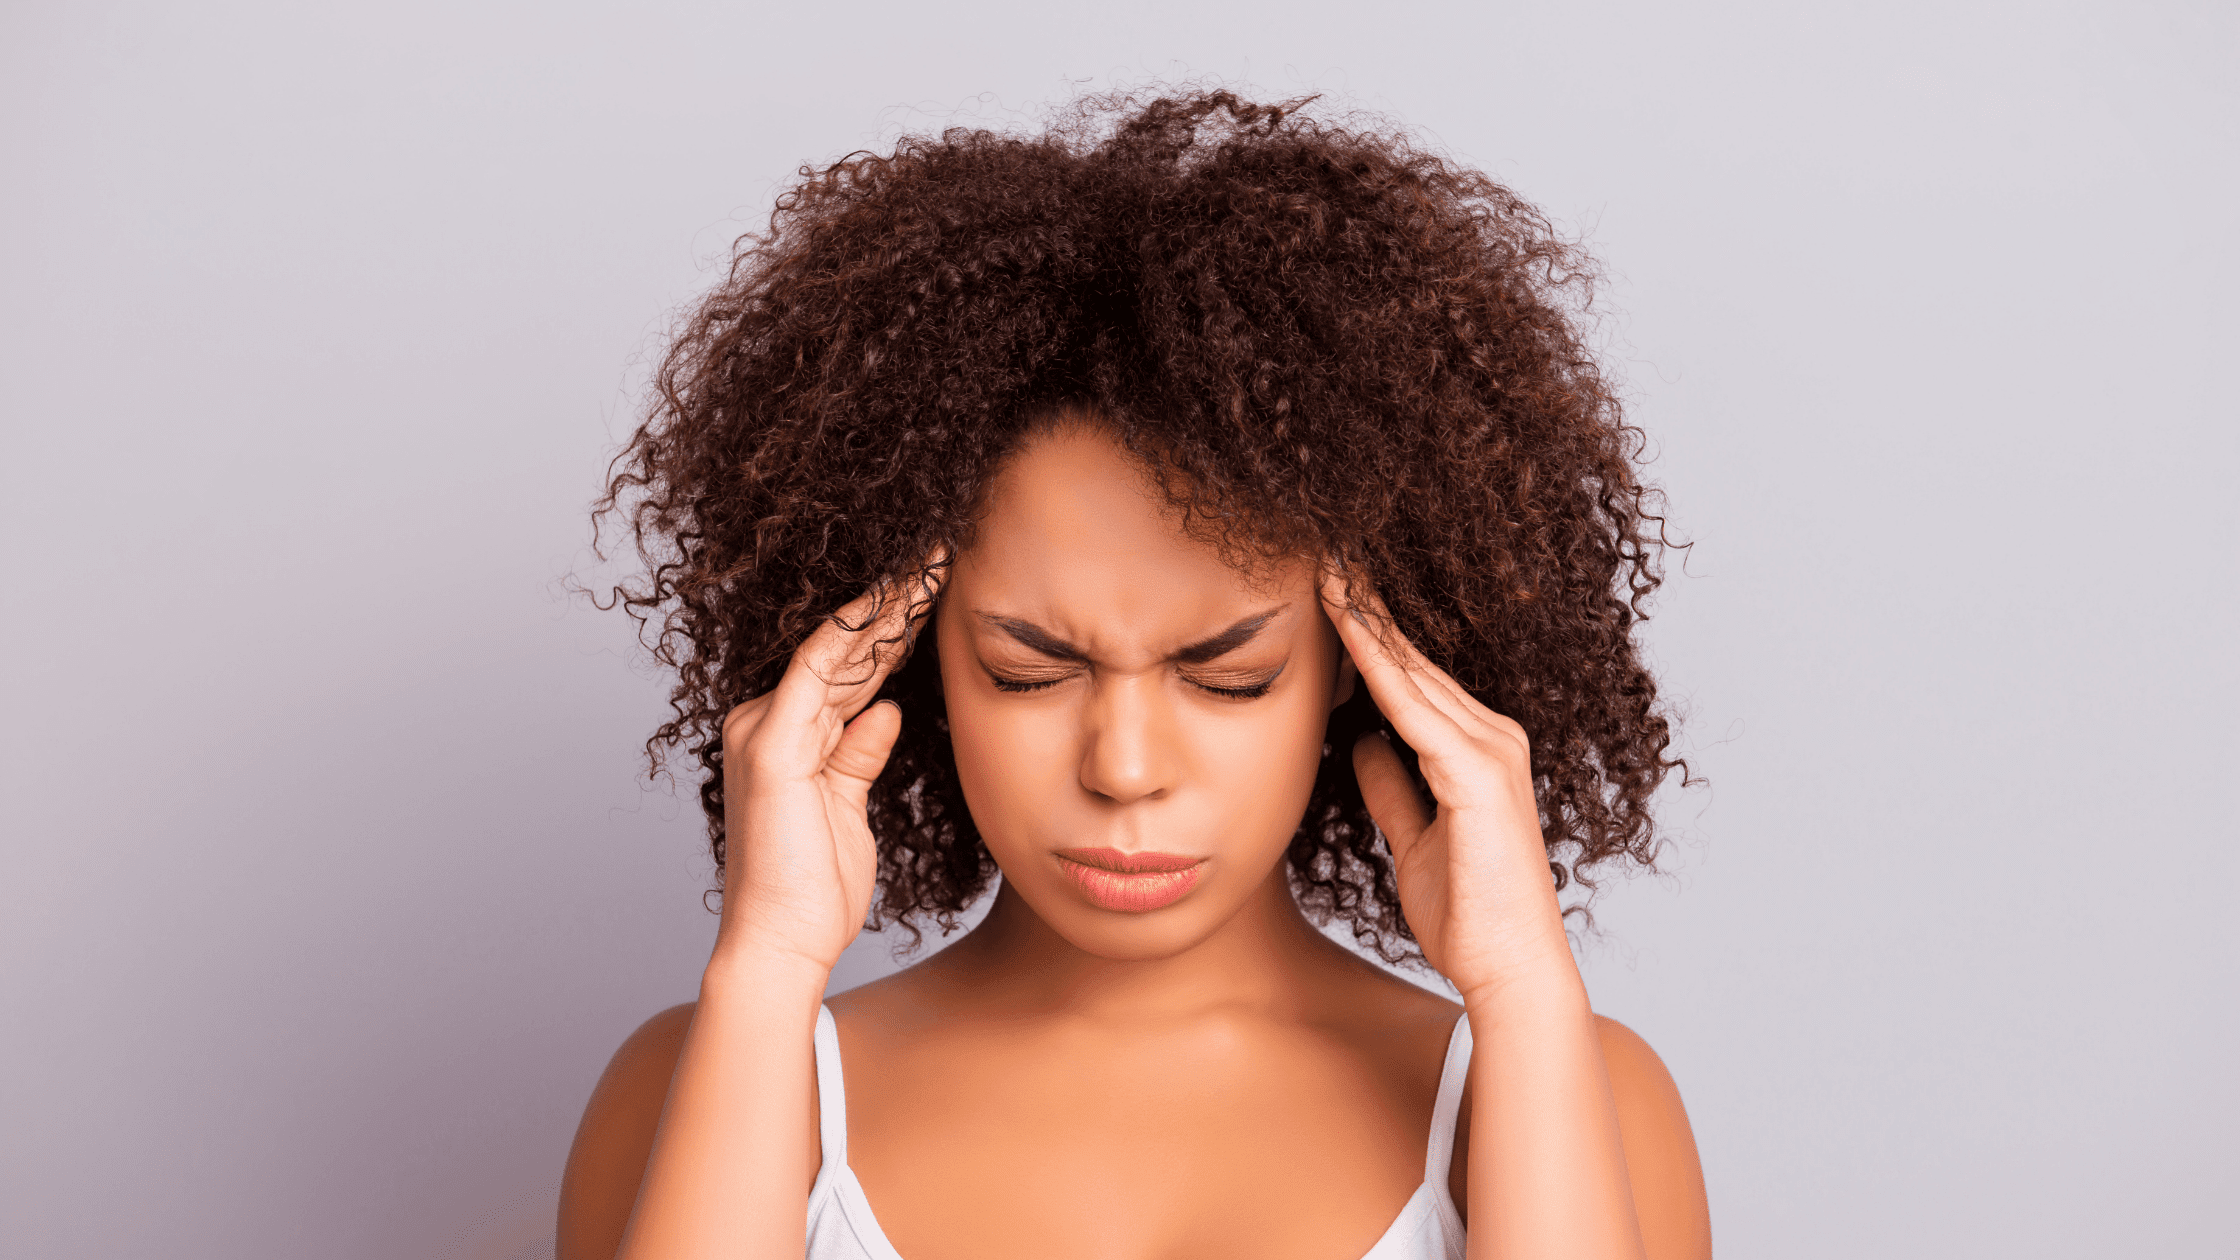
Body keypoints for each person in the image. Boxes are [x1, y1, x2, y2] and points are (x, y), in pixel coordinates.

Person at [557, 89, 1711, 1260]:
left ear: (1360, 673)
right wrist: (765, 974)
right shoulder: (700, 1083)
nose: (1123, 768)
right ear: (907, 669)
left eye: (1228, 678)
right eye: (1024, 672)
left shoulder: (1577, 1094)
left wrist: (1519, 985)